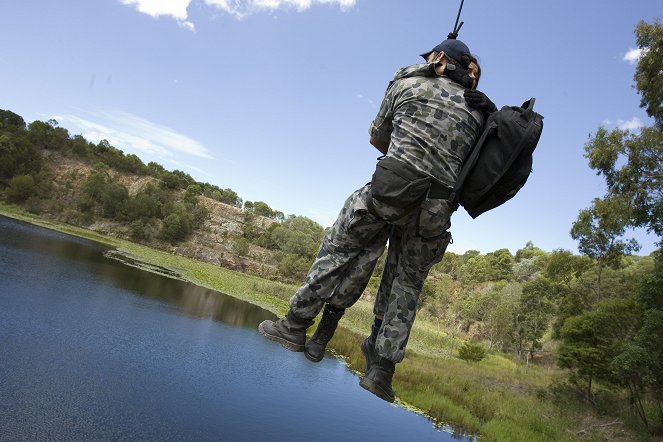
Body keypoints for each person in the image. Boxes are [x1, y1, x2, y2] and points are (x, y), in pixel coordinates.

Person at [258, 38, 496, 403]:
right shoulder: (481, 114)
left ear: (440, 58)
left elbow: (377, 137)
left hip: (390, 189)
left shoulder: (407, 83)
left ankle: (295, 325)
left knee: (338, 251)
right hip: (434, 210)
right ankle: (381, 369)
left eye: (431, 56)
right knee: (408, 284)